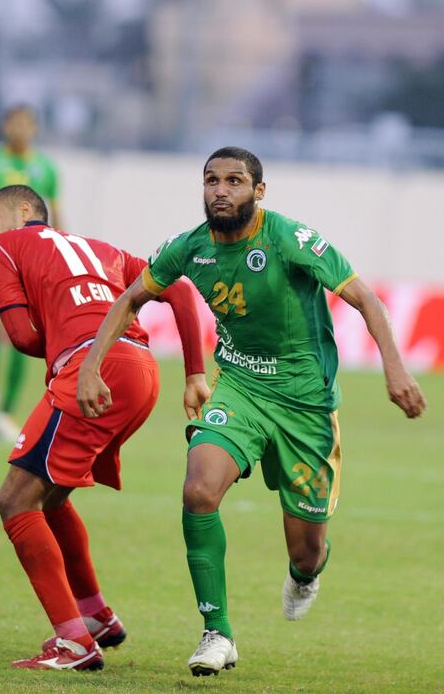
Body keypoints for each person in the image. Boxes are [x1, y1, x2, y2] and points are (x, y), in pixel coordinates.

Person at [77, 145, 428, 677]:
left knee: (306, 550)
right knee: (198, 489)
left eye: (235, 181)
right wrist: (89, 366)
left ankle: (306, 574)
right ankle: (217, 633)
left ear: (258, 191)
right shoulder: (188, 248)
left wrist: (395, 369)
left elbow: (367, 300)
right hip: (239, 388)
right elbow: (130, 299)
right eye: (212, 180)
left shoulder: (288, 238)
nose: (221, 190)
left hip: (306, 404)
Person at [0, 184, 207, 671]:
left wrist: (68, 337)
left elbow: (21, 336)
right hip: (144, 372)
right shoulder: (102, 249)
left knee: (16, 498)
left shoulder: (4, 247)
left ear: (24, 211)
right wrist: (194, 374)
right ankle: (95, 615)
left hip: (93, 369)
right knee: (52, 497)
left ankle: (74, 643)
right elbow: (183, 290)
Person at [0, 106, 61, 441]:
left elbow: (56, 214)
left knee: (26, 334)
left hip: (32, 264)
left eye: (26, 123)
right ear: (5, 125)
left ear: (34, 128)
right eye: (14, 123)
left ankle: (7, 412)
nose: (19, 129)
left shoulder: (46, 168)